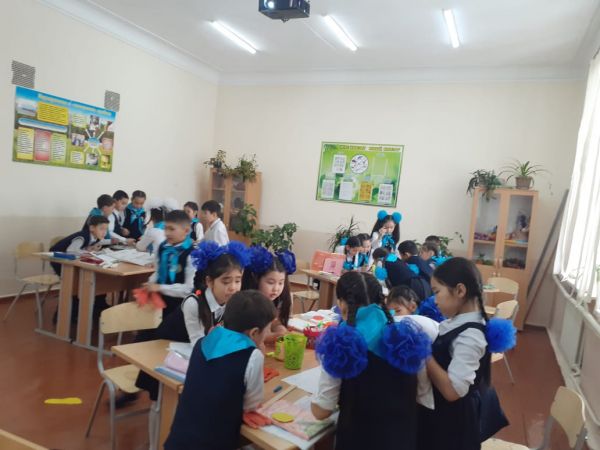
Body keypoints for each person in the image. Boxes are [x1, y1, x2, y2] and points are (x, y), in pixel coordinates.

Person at [311, 271, 431, 450]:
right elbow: (422, 394)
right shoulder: (406, 336)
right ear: (382, 300)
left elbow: (322, 411)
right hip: (402, 439)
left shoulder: (341, 344)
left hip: (358, 440)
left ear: (341, 304)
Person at [418, 257, 514, 450]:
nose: (434, 300)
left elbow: (452, 392)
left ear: (460, 291)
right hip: (445, 416)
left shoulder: (470, 336)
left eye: (437, 292)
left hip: (453, 425)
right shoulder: (459, 322)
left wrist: (425, 353)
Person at [164, 290, 276, 450]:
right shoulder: (252, 356)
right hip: (215, 441)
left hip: (179, 439)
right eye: (268, 330)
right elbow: (252, 404)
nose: (268, 334)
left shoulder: (202, 342)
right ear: (254, 333)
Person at [242, 246, 295, 342]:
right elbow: (252, 336)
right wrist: (275, 336)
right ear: (256, 280)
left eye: (281, 283)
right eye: (270, 282)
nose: (276, 289)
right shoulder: (247, 304)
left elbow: (273, 320)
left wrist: (279, 327)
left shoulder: (276, 299)